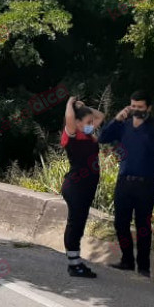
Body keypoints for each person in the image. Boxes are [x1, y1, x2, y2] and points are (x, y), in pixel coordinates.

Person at [98, 90, 154, 277]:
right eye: (133, 107)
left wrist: (142, 127)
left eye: (140, 108)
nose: (136, 111)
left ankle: (143, 267)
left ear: (149, 108)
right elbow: (102, 138)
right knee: (120, 223)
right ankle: (127, 260)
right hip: (125, 181)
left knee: (143, 225)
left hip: (147, 183)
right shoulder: (124, 125)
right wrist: (117, 119)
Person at [60, 96, 106, 278]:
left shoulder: (86, 133)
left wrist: (84, 107)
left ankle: (76, 262)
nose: (91, 124)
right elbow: (70, 118)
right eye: (87, 121)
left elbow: (100, 115)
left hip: (86, 187)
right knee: (75, 223)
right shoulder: (71, 134)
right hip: (76, 186)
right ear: (77, 122)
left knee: (79, 224)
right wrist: (70, 103)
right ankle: (74, 265)